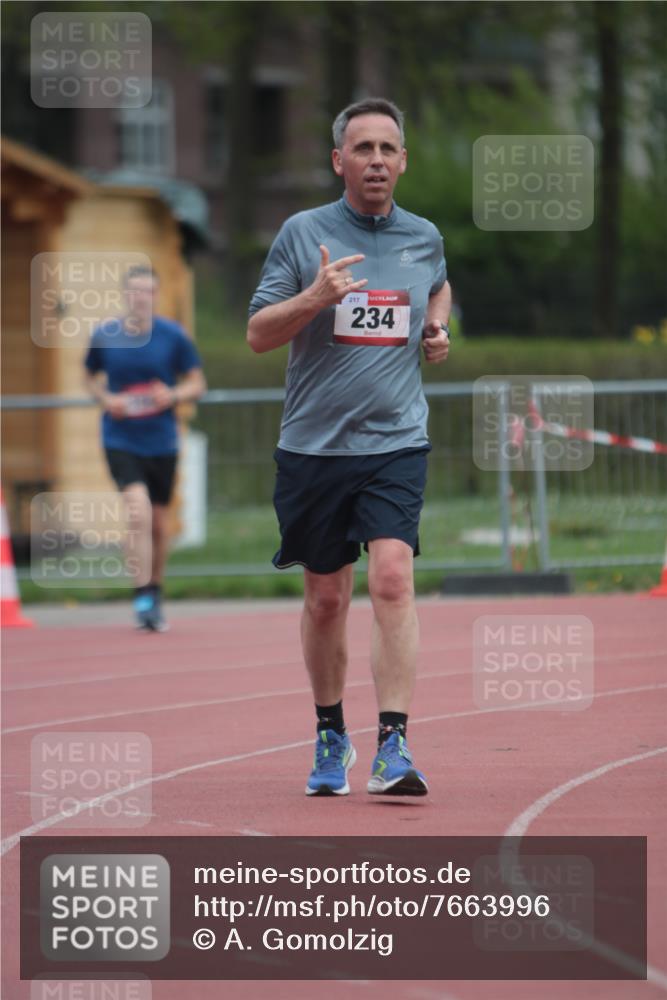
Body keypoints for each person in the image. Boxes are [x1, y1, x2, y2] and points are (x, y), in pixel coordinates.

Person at [247, 97, 451, 796]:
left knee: (392, 577)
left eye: (386, 149)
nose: (374, 161)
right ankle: (329, 731)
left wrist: (436, 328)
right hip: (313, 448)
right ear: (338, 161)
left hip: (396, 441)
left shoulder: (423, 236)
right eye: (361, 149)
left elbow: (438, 284)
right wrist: (316, 296)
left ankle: (393, 744)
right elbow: (258, 333)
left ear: (402, 161)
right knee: (326, 598)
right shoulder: (303, 234)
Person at [84, 266, 206, 631]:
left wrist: (171, 394)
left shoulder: (173, 336)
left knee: (157, 521)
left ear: (156, 295)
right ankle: (141, 595)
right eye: (135, 291)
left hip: (162, 440)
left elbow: (196, 383)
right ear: (126, 295)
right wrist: (107, 399)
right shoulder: (106, 335)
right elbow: (90, 377)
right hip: (120, 437)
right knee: (136, 512)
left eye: (147, 291)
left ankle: (155, 591)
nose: (141, 297)